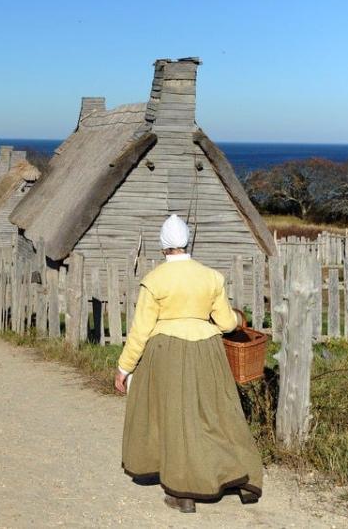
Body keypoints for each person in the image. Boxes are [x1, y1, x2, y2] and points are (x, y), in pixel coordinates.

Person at [116, 214, 262, 513]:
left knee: (175, 418)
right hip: (206, 350)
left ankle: (184, 492)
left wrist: (124, 368)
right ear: (187, 242)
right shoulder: (211, 277)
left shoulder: (154, 280)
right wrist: (238, 318)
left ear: (163, 247)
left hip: (166, 351)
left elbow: (140, 330)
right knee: (217, 414)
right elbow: (224, 322)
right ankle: (240, 476)